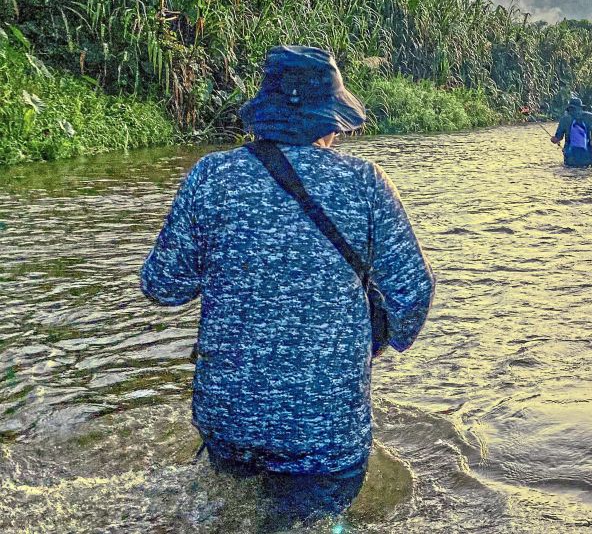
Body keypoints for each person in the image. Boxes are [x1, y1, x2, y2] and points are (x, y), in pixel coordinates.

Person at [140, 46, 435, 527]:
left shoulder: (211, 176)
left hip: (230, 417)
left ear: (266, 112)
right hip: (325, 429)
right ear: (333, 120)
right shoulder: (364, 182)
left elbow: (162, 285)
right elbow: (412, 293)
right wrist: (374, 342)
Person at [551, 95, 592, 167]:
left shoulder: (565, 119)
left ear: (569, 108)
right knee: (588, 170)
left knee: (570, 171)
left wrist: (553, 139)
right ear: (581, 107)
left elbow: (558, 138)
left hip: (570, 158)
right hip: (588, 157)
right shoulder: (590, 117)